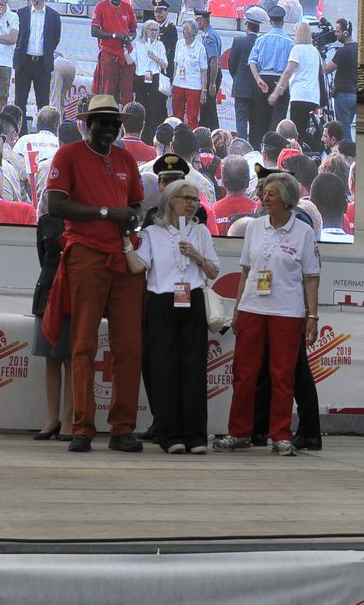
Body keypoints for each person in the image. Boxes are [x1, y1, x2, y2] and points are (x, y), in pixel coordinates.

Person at [47, 94, 148, 453]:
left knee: (128, 345)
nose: (109, 129)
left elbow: (136, 202)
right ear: (86, 124)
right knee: (84, 343)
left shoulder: (125, 158)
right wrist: (108, 213)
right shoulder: (68, 154)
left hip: (124, 257)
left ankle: (122, 428)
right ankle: (82, 427)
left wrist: (131, 215)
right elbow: (54, 204)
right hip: (86, 254)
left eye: (114, 123)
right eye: (102, 122)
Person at [214, 170, 320, 456]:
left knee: (282, 376)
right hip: (251, 308)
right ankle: (239, 433)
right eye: (262, 193)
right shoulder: (254, 227)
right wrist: (237, 309)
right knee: (244, 374)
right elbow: (246, 271)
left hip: (287, 312)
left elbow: (311, 277)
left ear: (287, 199)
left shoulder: (304, 232)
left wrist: (312, 317)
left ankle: (281, 436)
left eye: (270, 194)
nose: (263, 198)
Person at [130, 177, 219, 453]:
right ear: (170, 201)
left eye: (195, 199)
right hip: (161, 302)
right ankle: (169, 435)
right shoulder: (152, 234)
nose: (192, 204)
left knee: (193, 368)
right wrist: (123, 242)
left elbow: (214, 271)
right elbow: (137, 266)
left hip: (192, 301)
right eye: (186, 199)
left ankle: (195, 436)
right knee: (164, 368)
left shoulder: (201, 232)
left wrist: (195, 255)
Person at [32, 208, 72, 441]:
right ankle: (52, 418)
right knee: (51, 358)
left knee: (70, 358)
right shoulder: (45, 221)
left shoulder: (82, 219)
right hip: (47, 293)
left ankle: (68, 420)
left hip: (71, 294)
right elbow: (43, 258)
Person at [14, 0, 62, 119]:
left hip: (42, 64)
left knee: (42, 101)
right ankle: (21, 131)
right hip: (24, 63)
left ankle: (43, 129)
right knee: (20, 101)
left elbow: (55, 39)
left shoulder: (53, 16)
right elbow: (18, 36)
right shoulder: (21, 13)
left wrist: (46, 52)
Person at [273, 22, 322, 153]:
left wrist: (277, 91)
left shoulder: (297, 49)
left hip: (299, 95)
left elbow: (288, 71)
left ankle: (297, 153)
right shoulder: (315, 51)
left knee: (297, 131)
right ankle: (315, 150)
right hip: (313, 96)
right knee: (307, 129)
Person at [247, 6, 292, 136]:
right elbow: (292, 67)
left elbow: (252, 62)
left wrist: (258, 79)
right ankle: (275, 144)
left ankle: (261, 146)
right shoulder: (289, 42)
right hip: (281, 80)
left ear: (271, 22)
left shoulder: (261, 40)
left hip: (263, 78)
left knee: (261, 117)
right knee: (278, 118)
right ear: (282, 22)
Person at [89, 0, 136, 105]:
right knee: (107, 89)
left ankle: (127, 121)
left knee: (127, 91)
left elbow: (134, 31)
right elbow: (94, 31)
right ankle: (106, 117)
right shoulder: (101, 6)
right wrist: (114, 35)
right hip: (108, 53)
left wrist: (129, 38)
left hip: (125, 54)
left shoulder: (128, 8)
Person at [228, 7, 264, 143]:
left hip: (241, 88)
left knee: (241, 121)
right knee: (256, 122)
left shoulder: (239, 41)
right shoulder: (262, 42)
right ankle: (254, 149)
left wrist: (237, 77)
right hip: (257, 88)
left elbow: (232, 63)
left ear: (247, 25)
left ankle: (242, 148)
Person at [132, 19, 168, 132]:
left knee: (153, 107)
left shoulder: (160, 45)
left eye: (156, 30)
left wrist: (155, 58)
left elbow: (165, 65)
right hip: (140, 78)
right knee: (141, 106)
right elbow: (130, 60)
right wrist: (123, 50)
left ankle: (151, 135)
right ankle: (138, 131)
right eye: (151, 29)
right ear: (145, 30)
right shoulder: (138, 44)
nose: (154, 32)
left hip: (154, 78)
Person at [171, 19, 207, 128]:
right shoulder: (179, 43)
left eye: (186, 29)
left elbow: (203, 70)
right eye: (183, 28)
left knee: (192, 116)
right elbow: (176, 65)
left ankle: (192, 138)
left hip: (193, 86)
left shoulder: (200, 48)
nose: (183, 31)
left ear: (192, 32)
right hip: (178, 84)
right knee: (177, 115)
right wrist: (173, 82)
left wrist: (203, 89)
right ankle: (176, 138)